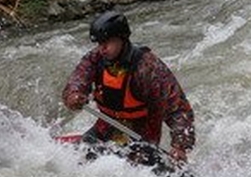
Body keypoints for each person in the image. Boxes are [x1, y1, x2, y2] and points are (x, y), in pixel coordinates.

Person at [62, 10, 195, 167]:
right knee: (82, 156)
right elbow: (77, 80)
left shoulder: (147, 68)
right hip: (107, 125)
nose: (102, 48)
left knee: (134, 170)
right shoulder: (95, 58)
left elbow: (177, 107)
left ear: (122, 39)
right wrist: (74, 95)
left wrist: (180, 146)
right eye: (99, 43)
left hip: (142, 132)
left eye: (107, 42)